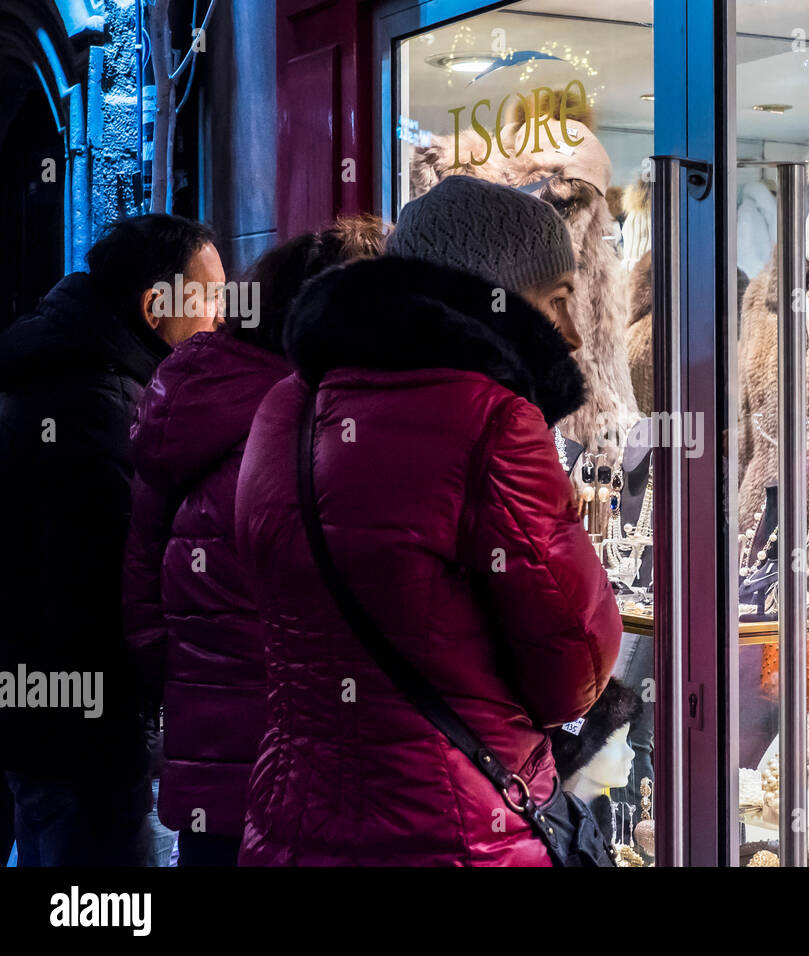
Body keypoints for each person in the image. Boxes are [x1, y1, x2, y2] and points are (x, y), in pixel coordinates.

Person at [236, 175, 622, 866]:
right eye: (559, 299)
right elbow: (573, 669)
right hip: (458, 834)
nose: (568, 332)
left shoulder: (284, 410)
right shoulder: (495, 421)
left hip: (292, 821)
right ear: (495, 294)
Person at [122, 216, 387, 868]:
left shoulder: (189, 414)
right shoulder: (316, 439)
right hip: (311, 797)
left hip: (213, 783)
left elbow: (144, 619)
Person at [0, 213, 223, 866]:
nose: (221, 318)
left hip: (40, 721)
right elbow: (109, 584)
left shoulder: (52, 370)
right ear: (157, 307)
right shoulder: (101, 408)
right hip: (80, 731)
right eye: (210, 298)